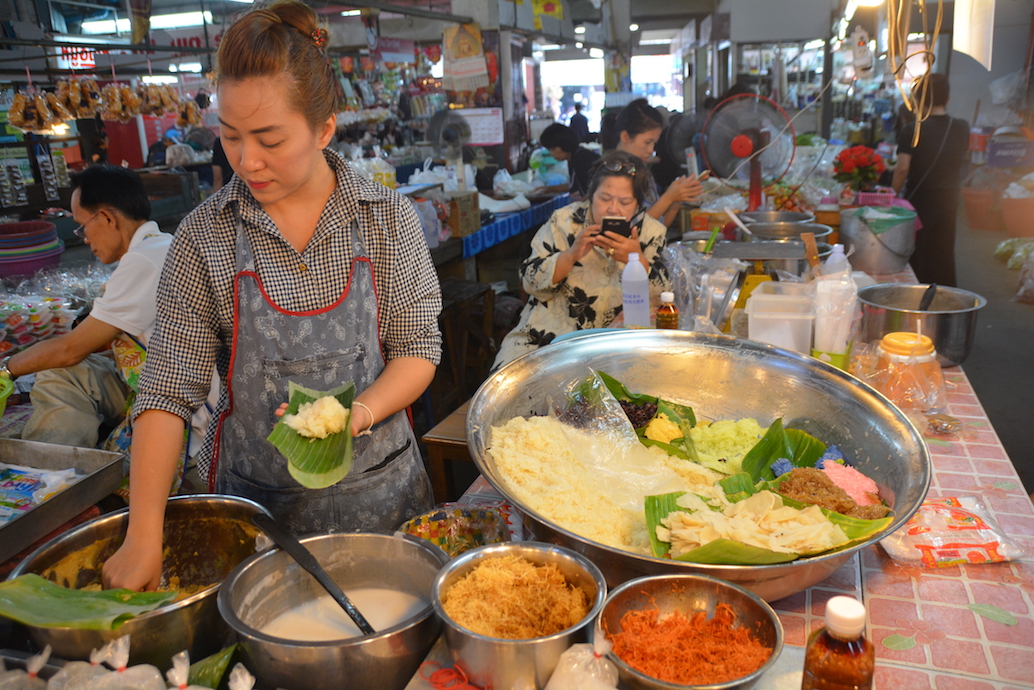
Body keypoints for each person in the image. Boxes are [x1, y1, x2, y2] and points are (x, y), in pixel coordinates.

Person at [102, 0, 441, 591]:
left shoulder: (385, 219)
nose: (247, 160)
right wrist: (142, 534)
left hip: (384, 504)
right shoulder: (204, 236)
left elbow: (419, 348)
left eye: (269, 138)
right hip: (259, 520)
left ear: (325, 127)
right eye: (230, 137)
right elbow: (165, 390)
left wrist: (355, 414)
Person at [5, 165, 215, 489]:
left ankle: (53, 485)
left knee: (59, 371)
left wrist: (8, 371)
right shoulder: (159, 246)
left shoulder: (145, 261)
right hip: (165, 382)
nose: (84, 239)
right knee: (66, 375)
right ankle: (54, 466)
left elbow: (69, 349)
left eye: (81, 227)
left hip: (191, 417)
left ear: (106, 218)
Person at [492, 151, 671, 369]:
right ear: (591, 195)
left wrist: (637, 260)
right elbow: (530, 282)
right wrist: (571, 255)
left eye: (624, 202)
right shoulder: (564, 221)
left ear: (637, 205)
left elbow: (664, 298)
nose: (613, 209)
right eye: (605, 199)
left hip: (618, 342)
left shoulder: (651, 232)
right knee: (509, 386)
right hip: (546, 337)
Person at [892, 73, 970, 287]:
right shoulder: (962, 127)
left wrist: (890, 194)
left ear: (917, 100)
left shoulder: (913, 129)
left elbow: (902, 169)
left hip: (920, 201)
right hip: (949, 200)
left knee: (919, 254)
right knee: (943, 253)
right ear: (948, 99)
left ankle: (920, 301)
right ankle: (945, 302)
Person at [605, 98, 703, 229]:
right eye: (647, 142)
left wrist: (677, 199)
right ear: (625, 137)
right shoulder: (610, 175)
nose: (651, 150)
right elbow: (630, 231)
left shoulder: (642, 171)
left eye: (654, 143)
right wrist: (668, 197)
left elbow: (658, 228)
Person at [538, 122, 600, 199]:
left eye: (553, 149)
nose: (552, 153)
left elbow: (592, 191)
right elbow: (573, 185)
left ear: (564, 144)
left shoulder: (582, 159)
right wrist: (548, 189)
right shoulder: (573, 158)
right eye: (549, 150)